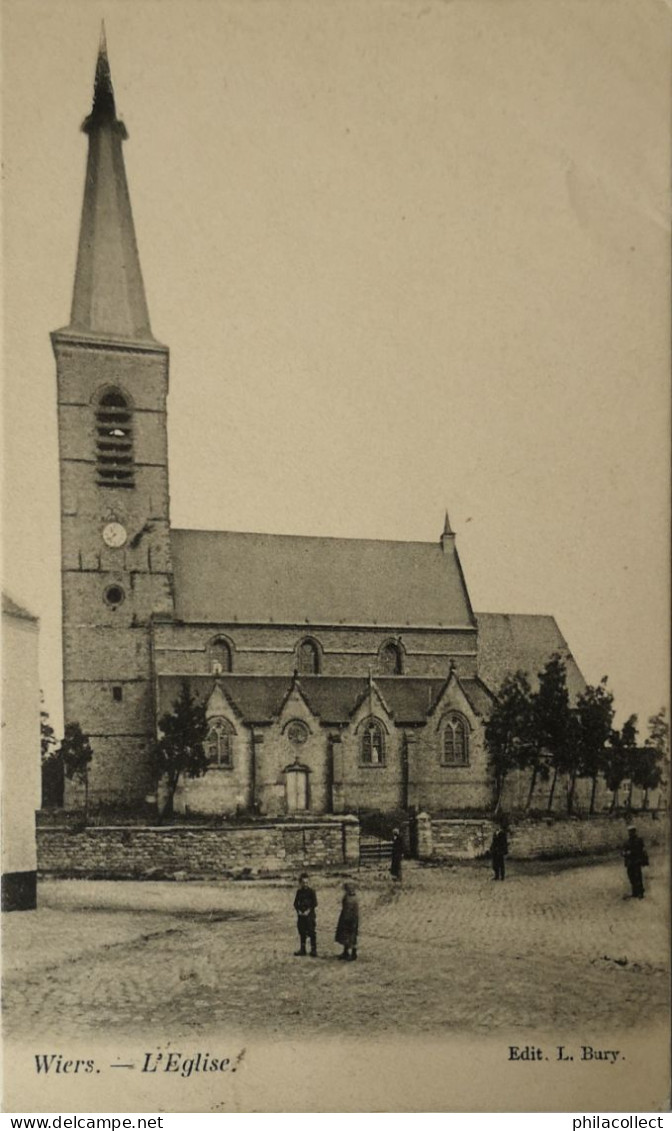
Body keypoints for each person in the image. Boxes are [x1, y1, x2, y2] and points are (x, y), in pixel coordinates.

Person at [293, 872, 318, 956]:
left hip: (310, 915)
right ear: (300, 883)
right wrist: (298, 911)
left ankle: (313, 950)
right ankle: (303, 949)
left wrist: (308, 911)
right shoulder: (299, 892)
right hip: (301, 915)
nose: (305, 884)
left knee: (311, 932)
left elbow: (315, 903)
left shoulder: (312, 891)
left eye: (307, 882)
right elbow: (295, 903)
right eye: (303, 883)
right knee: (302, 931)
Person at [335, 881, 359, 961]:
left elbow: (349, 911)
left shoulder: (350, 899)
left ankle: (353, 953)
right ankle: (346, 952)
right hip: (349, 919)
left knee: (351, 937)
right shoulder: (349, 897)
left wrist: (347, 920)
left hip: (350, 920)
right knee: (347, 936)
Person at [623, 825, 648, 899]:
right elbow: (623, 850)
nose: (630, 833)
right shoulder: (627, 842)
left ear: (634, 832)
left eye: (632, 831)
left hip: (636, 861)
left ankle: (640, 893)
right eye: (629, 832)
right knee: (631, 877)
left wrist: (631, 852)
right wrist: (624, 853)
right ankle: (635, 892)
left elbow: (641, 850)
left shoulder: (639, 840)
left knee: (638, 876)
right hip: (630, 862)